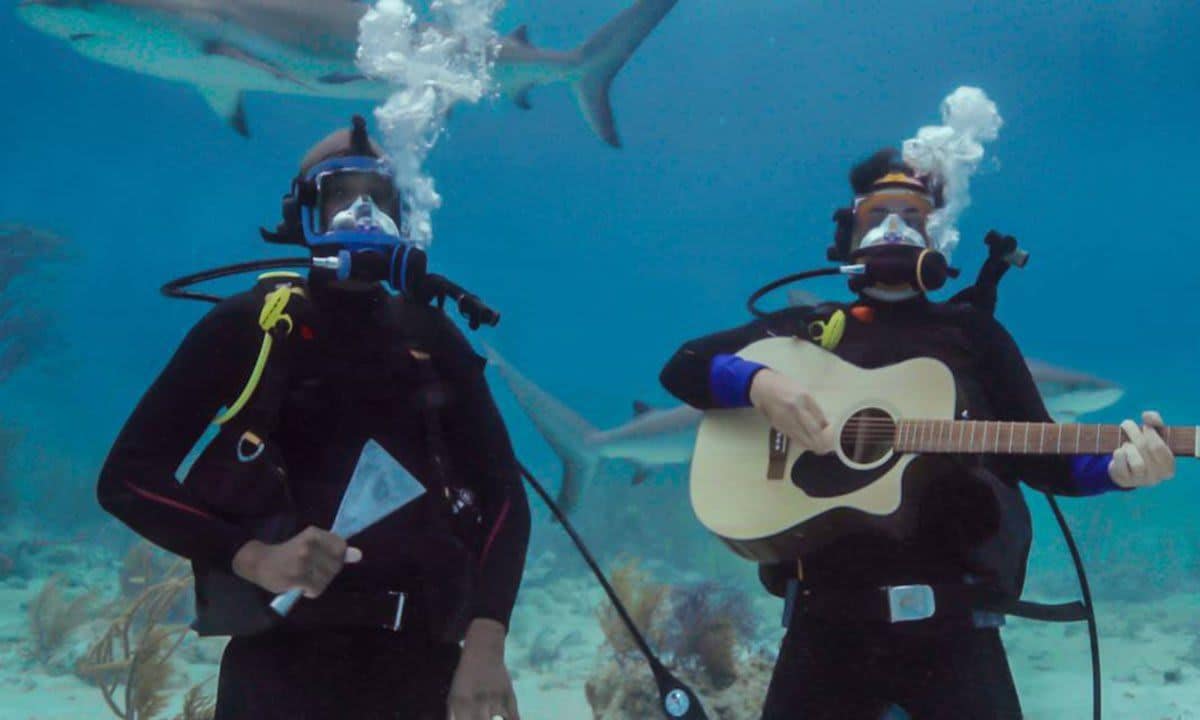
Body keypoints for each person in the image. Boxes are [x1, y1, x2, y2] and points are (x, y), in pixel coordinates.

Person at [658, 148, 1175, 719]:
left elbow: (1045, 458)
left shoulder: (973, 336)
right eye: (877, 214)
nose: (893, 228)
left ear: (939, 235)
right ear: (846, 232)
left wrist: (1120, 470)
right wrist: (757, 384)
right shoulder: (810, 332)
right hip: (824, 622)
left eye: (913, 216)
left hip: (955, 626)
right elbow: (683, 366)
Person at [98, 115, 530, 720]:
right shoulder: (250, 327)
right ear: (303, 214)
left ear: (404, 214)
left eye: (379, 198)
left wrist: (486, 644)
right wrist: (252, 556)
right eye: (338, 197)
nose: (361, 214)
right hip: (276, 662)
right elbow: (127, 479)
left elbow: (505, 499)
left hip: (421, 660)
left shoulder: (432, 339)